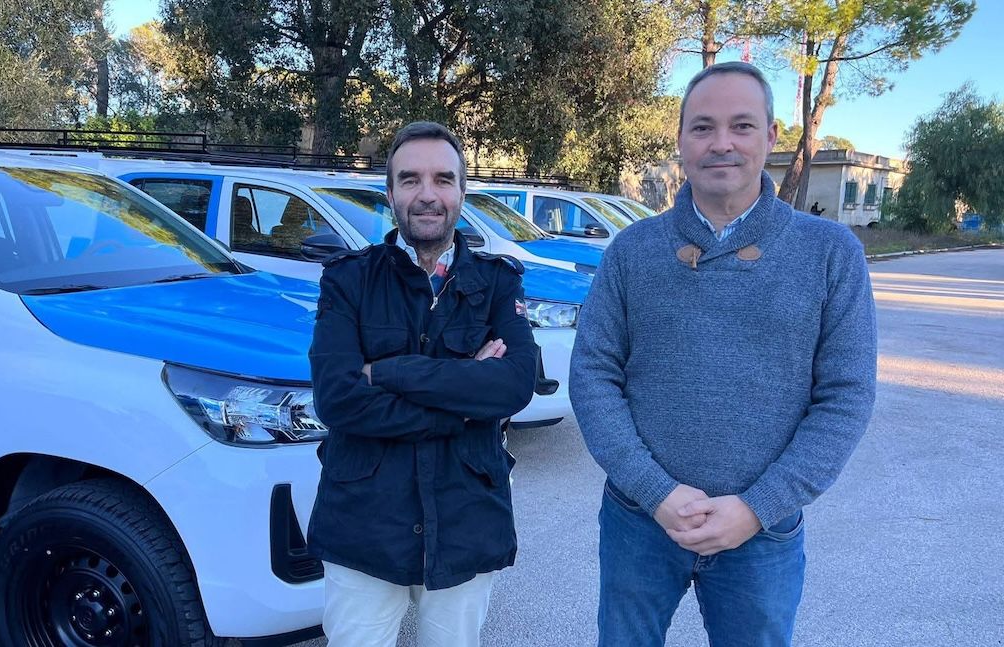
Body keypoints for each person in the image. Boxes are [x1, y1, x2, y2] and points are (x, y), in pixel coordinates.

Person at [569, 61, 877, 647]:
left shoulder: (831, 254)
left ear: (771, 136)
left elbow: (845, 397)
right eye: (703, 127)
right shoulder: (633, 251)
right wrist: (655, 492)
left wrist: (758, 507)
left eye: (741, 125)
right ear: (682, 140)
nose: (722, 144)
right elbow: (593, 376)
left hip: (763, 534)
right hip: (640, 521)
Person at [307, 121, 539, 647]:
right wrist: (463, 403)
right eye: (410, 180)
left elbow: (515, 385)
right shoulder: (347, 279)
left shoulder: (499, 281)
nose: (427, 195)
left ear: (462, 191)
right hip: (364, 522)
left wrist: (387, 372)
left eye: (442, 179)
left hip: (465, 519)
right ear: (389, 194)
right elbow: (338, 398)